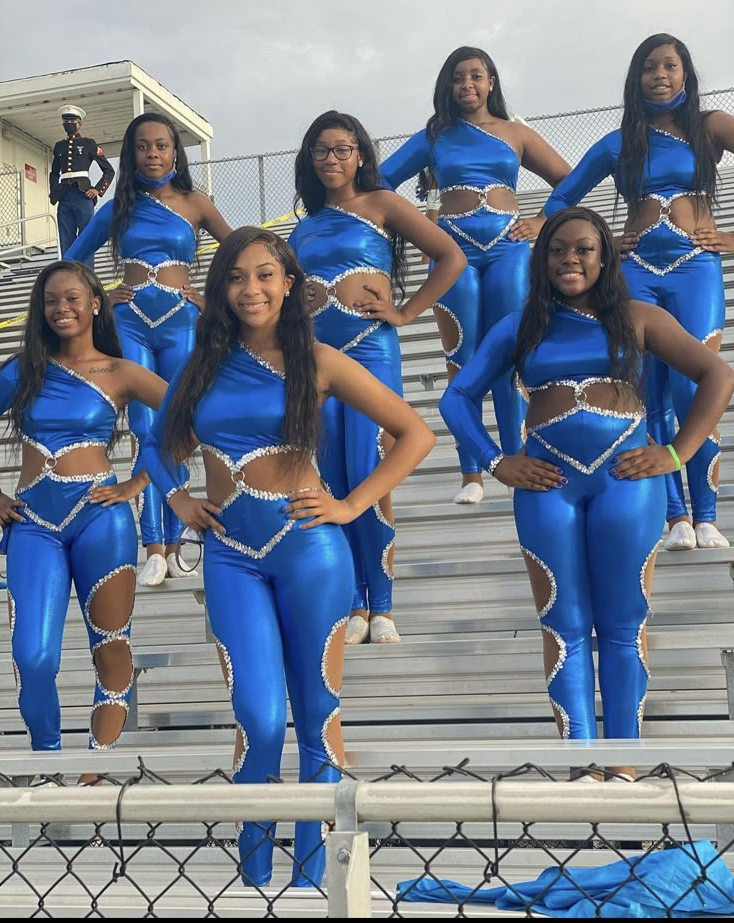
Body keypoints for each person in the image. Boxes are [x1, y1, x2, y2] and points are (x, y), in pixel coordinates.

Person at [142, 227, 435, 887]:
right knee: (259, 714)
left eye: (265, 274)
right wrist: (181, 502)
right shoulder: (201, 365)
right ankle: (253, 882)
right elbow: (155, 448)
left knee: (318, 714)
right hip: (232, 556)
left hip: (310, 549)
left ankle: (310, 884)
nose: (252, 289)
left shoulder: (319, 359)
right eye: (238, 277)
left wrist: (352, 504)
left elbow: (416, 434)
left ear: (290, 282)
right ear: (220, 289)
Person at [440, 208, 733, 772]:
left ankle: (622, 766)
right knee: (563, 623)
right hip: (547, 485)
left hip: (626, 483)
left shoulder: (638, 316)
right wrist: (497, 462)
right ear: (541, 258)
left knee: (624, 624)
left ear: (604, 257)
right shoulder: (519, 326)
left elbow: (718, 375)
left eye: (583, 249)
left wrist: (677, 452)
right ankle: (580, 767)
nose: (569, 259)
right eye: (557, 250)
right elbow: (457, 398)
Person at [542, 33, 734, 550]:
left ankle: (708, 513)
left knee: (691, 387)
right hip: (638, 271)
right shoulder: (618, 141)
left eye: (669, 65)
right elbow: (563, 194)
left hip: (697, 267)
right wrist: (602, 238)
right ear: (636, 78)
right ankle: (675, 516)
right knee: (646, 392)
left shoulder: (710, 126)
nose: (659, 75)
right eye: (649, 67)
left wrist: (731, 238)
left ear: (686, 73)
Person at [289, 111, 464, 645]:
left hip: (371, 352)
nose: (332, 160)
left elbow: (450, 257)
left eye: (342, 149)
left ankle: (382, 603)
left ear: (361, 153)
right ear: (309, 159)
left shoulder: (383, 204)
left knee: (371, 469)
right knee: (333, 478)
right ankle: (352, 602)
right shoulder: (302, 225)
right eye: (321, 151)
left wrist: (407, 313)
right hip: (318, 359)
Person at [380, 46, 571, 504]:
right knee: (459, 358)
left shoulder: (515, 133)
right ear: (447, 86)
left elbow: (569, 178)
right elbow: (382, 180)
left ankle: (517, 454)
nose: (467, 85)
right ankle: (472, 472)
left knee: (508, 355)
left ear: (491, 83)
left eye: (476, 76)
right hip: (454, 253)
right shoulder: (435, 134)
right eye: (458, 78)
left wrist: (543, 222)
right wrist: (422, 223)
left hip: (509, 249)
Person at [0, 260, 167, 754]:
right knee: (32, 655)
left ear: (96, 303)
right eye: (51, 300)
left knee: (111, 649)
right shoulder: (23, 369)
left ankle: (96, 773)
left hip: (101, 517)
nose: (61, 308)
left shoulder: (120, 371)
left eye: (72, 298)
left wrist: (140, 482)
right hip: (33, 524)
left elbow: (193, 419)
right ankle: (46, 766)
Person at [66, 113, 232, 585]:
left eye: (162, 146)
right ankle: (153, 543)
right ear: (131, 153)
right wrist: (101, 295)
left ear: (176, 151)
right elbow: (73, 258)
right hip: (130, 321)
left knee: (175, 421)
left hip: (181, 320)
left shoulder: (197, 203)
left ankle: (178, 540)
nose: (153, 154)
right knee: (143, 425)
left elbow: (241, 250)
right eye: (143, 147)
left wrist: (212, 297)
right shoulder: (119, 205)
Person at [49, 106, 115, 269]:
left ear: (79, 124)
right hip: (64, 195)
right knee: (66, 238)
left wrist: (97, 190)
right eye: (66, 121)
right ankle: (67, 271)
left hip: (83, 195)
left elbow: (109, 170)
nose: (68, 124)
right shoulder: (59, 146)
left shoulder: (88, 144)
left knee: (86, 236)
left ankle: (87, 273)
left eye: (72, 121)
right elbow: (54, 173)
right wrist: (54, 192)